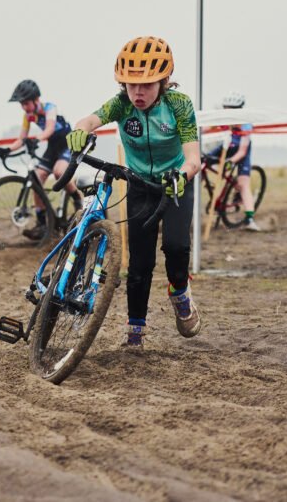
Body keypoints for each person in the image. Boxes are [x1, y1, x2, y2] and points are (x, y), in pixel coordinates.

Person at [67, 36, 201, 347]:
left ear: (163, 81)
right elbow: (90, 119)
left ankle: (180, 292)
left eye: (147, 85)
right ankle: (135, 331)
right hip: (140, 186)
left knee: (176, 247)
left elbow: (194, 158)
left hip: (176, 182)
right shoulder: (122, 104)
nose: (138, 92)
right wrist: (80, 130)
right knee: (139, 263)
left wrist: (182, 174)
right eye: (131, 84)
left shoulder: (179, 105)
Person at [0, 79, 81, 239]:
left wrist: (36, 139)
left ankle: (77, 197)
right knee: (37, 179)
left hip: (66, 144)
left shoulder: (50, 108)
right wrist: (7, 150)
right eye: (21, 104)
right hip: (52, 147)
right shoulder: (28, 116)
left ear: (36, 99)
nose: (24, 107)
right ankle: (43, 224)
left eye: (26, 103)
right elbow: (22, 138)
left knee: (59, 172)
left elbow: (49, 129)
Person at [207, 91, 259, 231]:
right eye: (226, 108)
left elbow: (242, 151)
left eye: (231, 109)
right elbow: (205, 129)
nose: (228, 112)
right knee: (201, 163)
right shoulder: (222, 119)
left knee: (243, 184)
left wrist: (230, 162)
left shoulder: (246, 124)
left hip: (241, 151)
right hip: (226, 146)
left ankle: (249, 219)